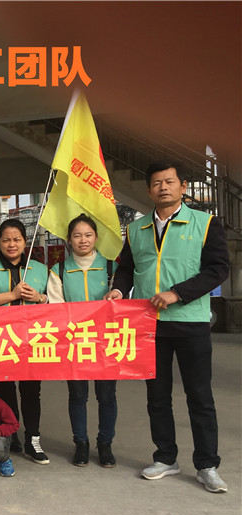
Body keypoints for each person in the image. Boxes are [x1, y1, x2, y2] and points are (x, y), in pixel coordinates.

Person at [106, 161, 230, 493]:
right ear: (149, 190)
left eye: (170, 181)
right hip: (149, 324)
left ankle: (207, 465)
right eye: (157, 183)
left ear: (183, 187)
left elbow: (218, 268)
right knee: (157, 396)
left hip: (191, 322)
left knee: (199, 396)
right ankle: (165, 458)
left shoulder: (205, 223)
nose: (164, 187)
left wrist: (179, 293)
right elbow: (127, 269)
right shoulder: (136, 229)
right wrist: (119, 290)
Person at [0, 218, 49, 465]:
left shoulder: (40, 269)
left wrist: (39, 298)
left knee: (31, 391)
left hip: (32, 340)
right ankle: (10, 434)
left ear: (25, 242)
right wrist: (12, 295)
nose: (12, 244)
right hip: (1, 341)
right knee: (5, 391)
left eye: (17, 239)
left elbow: (54, 302)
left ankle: (33, 439)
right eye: (6, 240)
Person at [48, 215, 117, 468]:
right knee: (77, 395)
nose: (83, 240)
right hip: (74, 343)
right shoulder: (59, 271)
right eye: (77, 235)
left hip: (106, 342)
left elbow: (122, 304)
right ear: (69, 240)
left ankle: (105, 444)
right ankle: (81, 443)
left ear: (96, 237)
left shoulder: (111, 268)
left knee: (106, 395)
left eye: (88, 235)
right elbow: (56, 308)